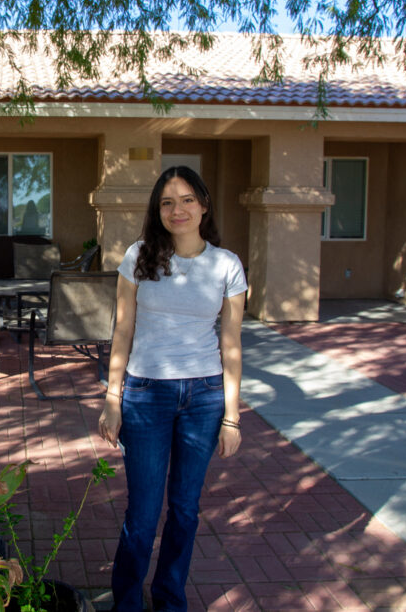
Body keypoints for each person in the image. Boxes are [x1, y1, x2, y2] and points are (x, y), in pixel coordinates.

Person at [98, 165, 247, 611]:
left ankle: (169, 598)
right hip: (145, 395)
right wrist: (113, 398)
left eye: (186, 200)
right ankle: (126, 601)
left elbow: (233, 344)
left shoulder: (226, 265)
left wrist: (232, 416)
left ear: (203, 205)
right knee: (142, 516)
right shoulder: (138, 256)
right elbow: (122, 330)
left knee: (184, 510)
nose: (176, 209)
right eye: (167, 201)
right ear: (157, 210)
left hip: (203, 398)